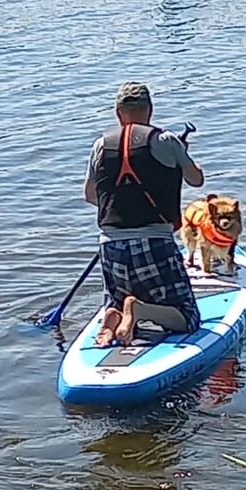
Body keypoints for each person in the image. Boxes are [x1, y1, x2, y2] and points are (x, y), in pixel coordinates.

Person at [84, 81, 205, 348]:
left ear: (118, 112)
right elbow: (197, 180)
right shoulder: (165, 140)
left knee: (118, 295)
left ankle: (115, 311)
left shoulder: (100, 146)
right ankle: (138, 310)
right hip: (155, 244)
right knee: (188, 318)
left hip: (111, 246)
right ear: (149, 110)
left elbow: (91, 196)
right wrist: (185, 159)